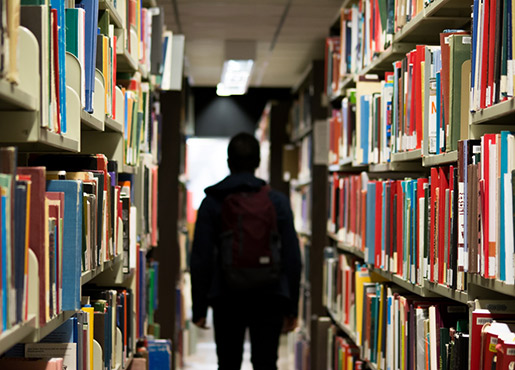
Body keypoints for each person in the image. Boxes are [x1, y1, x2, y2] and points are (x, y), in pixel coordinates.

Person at [190, 132, 302, 370]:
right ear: (258, 162)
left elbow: (201, 258)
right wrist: (291, 307)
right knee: (265, 363)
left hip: (226, 296)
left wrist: (199, 307)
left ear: (229, 162)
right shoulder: (277, 201)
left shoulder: (212, 202)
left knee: (228, 363)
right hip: (270, 296)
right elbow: (292, 256)